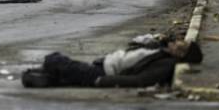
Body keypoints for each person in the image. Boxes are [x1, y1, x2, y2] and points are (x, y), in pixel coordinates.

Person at [21, 37, 203, 89]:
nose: (178, 41)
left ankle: (45, 77)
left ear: (181, 53)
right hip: (103, 65)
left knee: (54, 59)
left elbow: (140, 80)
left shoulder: (165, 64)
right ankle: (44, 78)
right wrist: (163, 42)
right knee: (65, 70)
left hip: (103, 74)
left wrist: (103, 81)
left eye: (182, 44)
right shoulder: (162, 51)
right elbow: (137, 42)